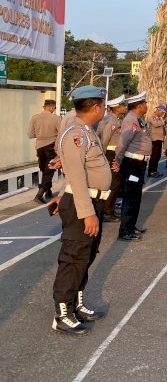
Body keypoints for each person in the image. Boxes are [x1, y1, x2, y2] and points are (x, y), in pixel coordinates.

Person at [48, 86, 111, 335]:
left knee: (86, 256)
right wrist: (87, 213)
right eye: (103, 105)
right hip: (81, 206)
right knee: (73, 259)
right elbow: (75, 174)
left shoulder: (86, 132)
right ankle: (62, 314)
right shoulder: (75, 135)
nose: (104, 109)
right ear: (95, 107)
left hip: (90, 202)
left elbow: (81, 171)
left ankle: (75, 304)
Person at [114, 92, 151, 241]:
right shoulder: (131, 121)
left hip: (139, 163)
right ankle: (125, 231)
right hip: (133, 163)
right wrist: (118, 160)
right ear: (140, 105)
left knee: (135, 197)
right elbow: (122, 143)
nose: (147, 106)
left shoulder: (138, 120)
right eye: (145, 103)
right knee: (131, 197)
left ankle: (131, 226)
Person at [98, 95, 127, 222]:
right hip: (110, 153)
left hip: (113, 152)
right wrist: (103, 154)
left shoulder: (114, 119)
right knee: (114, 183)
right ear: (117, 107)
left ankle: (110, 207)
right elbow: (105, 138)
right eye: (123, 106)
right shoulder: (113, 120)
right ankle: (107, 210)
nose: (126, 108)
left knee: (115, 183)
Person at [28, 99, 60, 204]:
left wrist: (41, 134)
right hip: (51, 145)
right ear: (52, 107)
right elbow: (61, 133)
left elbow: (30, 135)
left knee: (44, 168)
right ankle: (39, 194)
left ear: (44, 107)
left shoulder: (35, 118)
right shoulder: (56, 118)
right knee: (49, 170)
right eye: (54, 108)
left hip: (39, 146)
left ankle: (48, 190)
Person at [147, 104, 167, 177]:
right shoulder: (153, 117)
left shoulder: (160, 118)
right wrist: (164, 121)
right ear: (158, 111)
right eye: (162, 112)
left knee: (158, 156)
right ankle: (151, 171)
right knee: (154, 156)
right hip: (154, 139)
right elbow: (155, 124)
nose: (162, 114)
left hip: (159, 139)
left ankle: (154, 170)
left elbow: (163, 129)